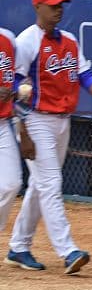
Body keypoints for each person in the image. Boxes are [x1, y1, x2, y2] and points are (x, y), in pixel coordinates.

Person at [5, 0, 92, 274]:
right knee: (50, 184)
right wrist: (22, 130)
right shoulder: (27, 41)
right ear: (38, 8)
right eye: (53, 5)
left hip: (62, 120)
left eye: (61, 4)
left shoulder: (70, 40)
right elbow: (13, 85)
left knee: (40, 185)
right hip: (35, 119)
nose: (58, 9)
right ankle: (67, 249)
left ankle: (19, 246)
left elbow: (85, 75)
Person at [0, 20, 30, 237]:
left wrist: (17, 91)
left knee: (11, 184)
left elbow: (18, 79)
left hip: (2, 123)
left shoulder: (8, 38)